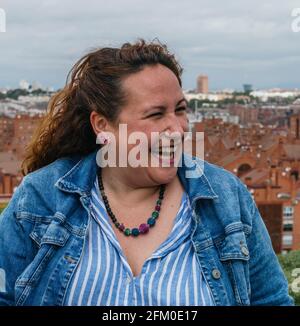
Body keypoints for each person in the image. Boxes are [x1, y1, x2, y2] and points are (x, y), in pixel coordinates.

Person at [0, 39, 294, 306]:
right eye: (156, 114)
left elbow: (271, 300)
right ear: (102, 125)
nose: (178, 129)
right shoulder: (40, 197)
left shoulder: (227, 198)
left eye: (180, 110)